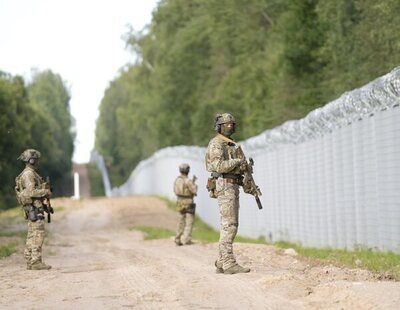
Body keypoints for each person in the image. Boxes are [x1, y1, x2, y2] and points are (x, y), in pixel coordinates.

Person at [205, 113, 250, 274]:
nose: (230, 126)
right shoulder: (217, 144)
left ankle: (221, 261)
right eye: (226, 124)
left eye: (232, 124)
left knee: (231, 224)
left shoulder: (231, 144)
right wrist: (237, 162)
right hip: (225, 185)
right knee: (229, 226)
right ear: (219, 127)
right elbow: (218, 166)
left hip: (232, 185)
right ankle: (229, 263)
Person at [15, 149, 53, 270]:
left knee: (32, 234)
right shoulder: (29, 174)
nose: (37, 162)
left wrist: (46, 206)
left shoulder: (29, 173)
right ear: (31, 160)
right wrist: (46, 192)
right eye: (36, 159)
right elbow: (31, 192)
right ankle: (35, 261)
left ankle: (30, 260)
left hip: (33, 207)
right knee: (38, 233)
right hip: (34, 208)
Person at [173, 163, 198, 246]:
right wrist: (194, 183)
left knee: (181, 221)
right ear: (188, 171)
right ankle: (187, 239)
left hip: (180, 202)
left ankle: (177, 238)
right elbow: (194, 191)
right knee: (189, 221)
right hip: (188, 202)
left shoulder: (177, 180)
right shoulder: (188, 180)